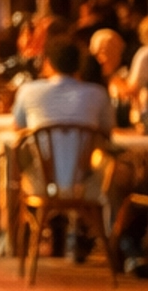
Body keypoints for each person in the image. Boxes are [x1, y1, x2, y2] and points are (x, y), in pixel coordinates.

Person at [12, 36, 117, 261]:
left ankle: (19, 237)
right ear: (79, 64)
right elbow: (108, 132)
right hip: (85, 186)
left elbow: (17, 127)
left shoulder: (29, 92)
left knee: (21, 157)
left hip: (42, 184)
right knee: (109, 165)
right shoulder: (97, 94)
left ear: (47, 62)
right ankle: (94, 238)